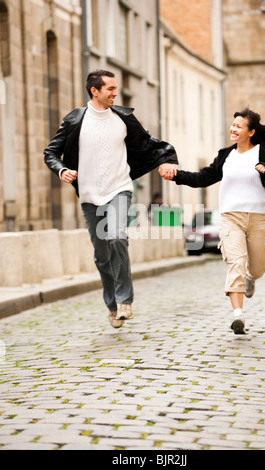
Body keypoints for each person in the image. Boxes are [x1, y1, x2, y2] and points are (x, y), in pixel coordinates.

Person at [44, 69, 178, 328]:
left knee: (117, 236)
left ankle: (125, 300)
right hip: (90, 194)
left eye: (116, 88)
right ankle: (112, 304)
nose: (116, 93)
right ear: (95, 91)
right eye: (110, 89)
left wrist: (166, 160)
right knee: (101, 255)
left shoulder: (123, 118)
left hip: (119, 188)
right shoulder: (75, 120)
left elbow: (148, 143)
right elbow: (51, 152)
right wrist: (62, 169)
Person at [162, 107, 265, 335]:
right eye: (233, 125)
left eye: (239, 126)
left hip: (259, 217)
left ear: (251, 132)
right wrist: (177, 174)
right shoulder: (226, 156)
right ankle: (238, 315)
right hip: (231, 217)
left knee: (258, 268)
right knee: (236, 263)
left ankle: (251, 279)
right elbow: (203, 177)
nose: (233, 129)